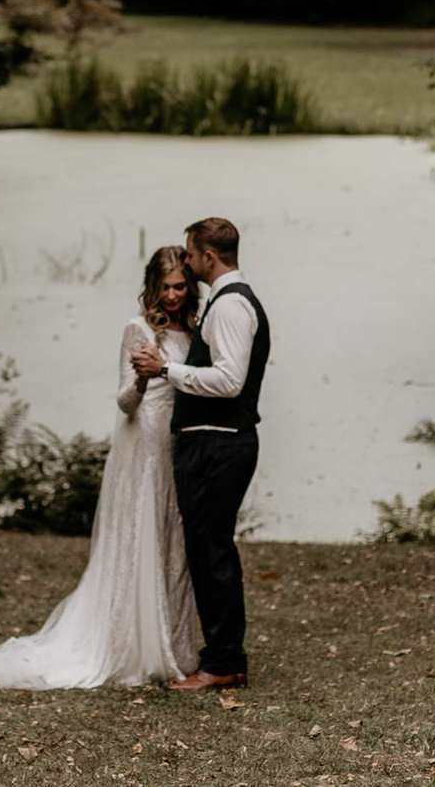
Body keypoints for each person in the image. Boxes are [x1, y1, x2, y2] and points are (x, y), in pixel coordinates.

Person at [0, 247, 200, 688]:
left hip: (178, 440)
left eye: (180, 286)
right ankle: (131, 641)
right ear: (152, 285)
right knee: (141, 532)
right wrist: (144, 375)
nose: (172, 295)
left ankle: (174, 638)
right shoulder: (137, 329)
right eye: (165, 286)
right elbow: (125, 401)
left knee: (173, 536)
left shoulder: (194, 331)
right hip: (144, 440)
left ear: (190, 286)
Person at [130, 215, 268, 692]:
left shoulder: (230, 306)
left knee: (212, 554)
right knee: (208, 549)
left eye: (190, 254)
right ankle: (217, 655)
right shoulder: (227, 302)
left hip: (218, 443)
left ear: (209, 256)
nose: (187, 263)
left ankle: (223, 661)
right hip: (211, 440)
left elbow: (229, 380)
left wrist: (169, 368)